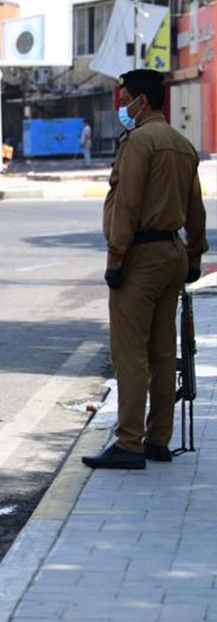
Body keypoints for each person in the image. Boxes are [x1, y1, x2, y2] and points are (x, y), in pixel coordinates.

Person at [83, 69, 209, 470]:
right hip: (172, 253)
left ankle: (129, 443)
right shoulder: (182, 144)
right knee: (161, 351)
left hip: (140, 256)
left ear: (141, 100)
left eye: (124, 99)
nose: (122, 106)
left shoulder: (140, 142)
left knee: (130, 354)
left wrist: (116, 259)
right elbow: (196, 211)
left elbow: (128, 205)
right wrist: (193, 257)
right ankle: (158, 440)